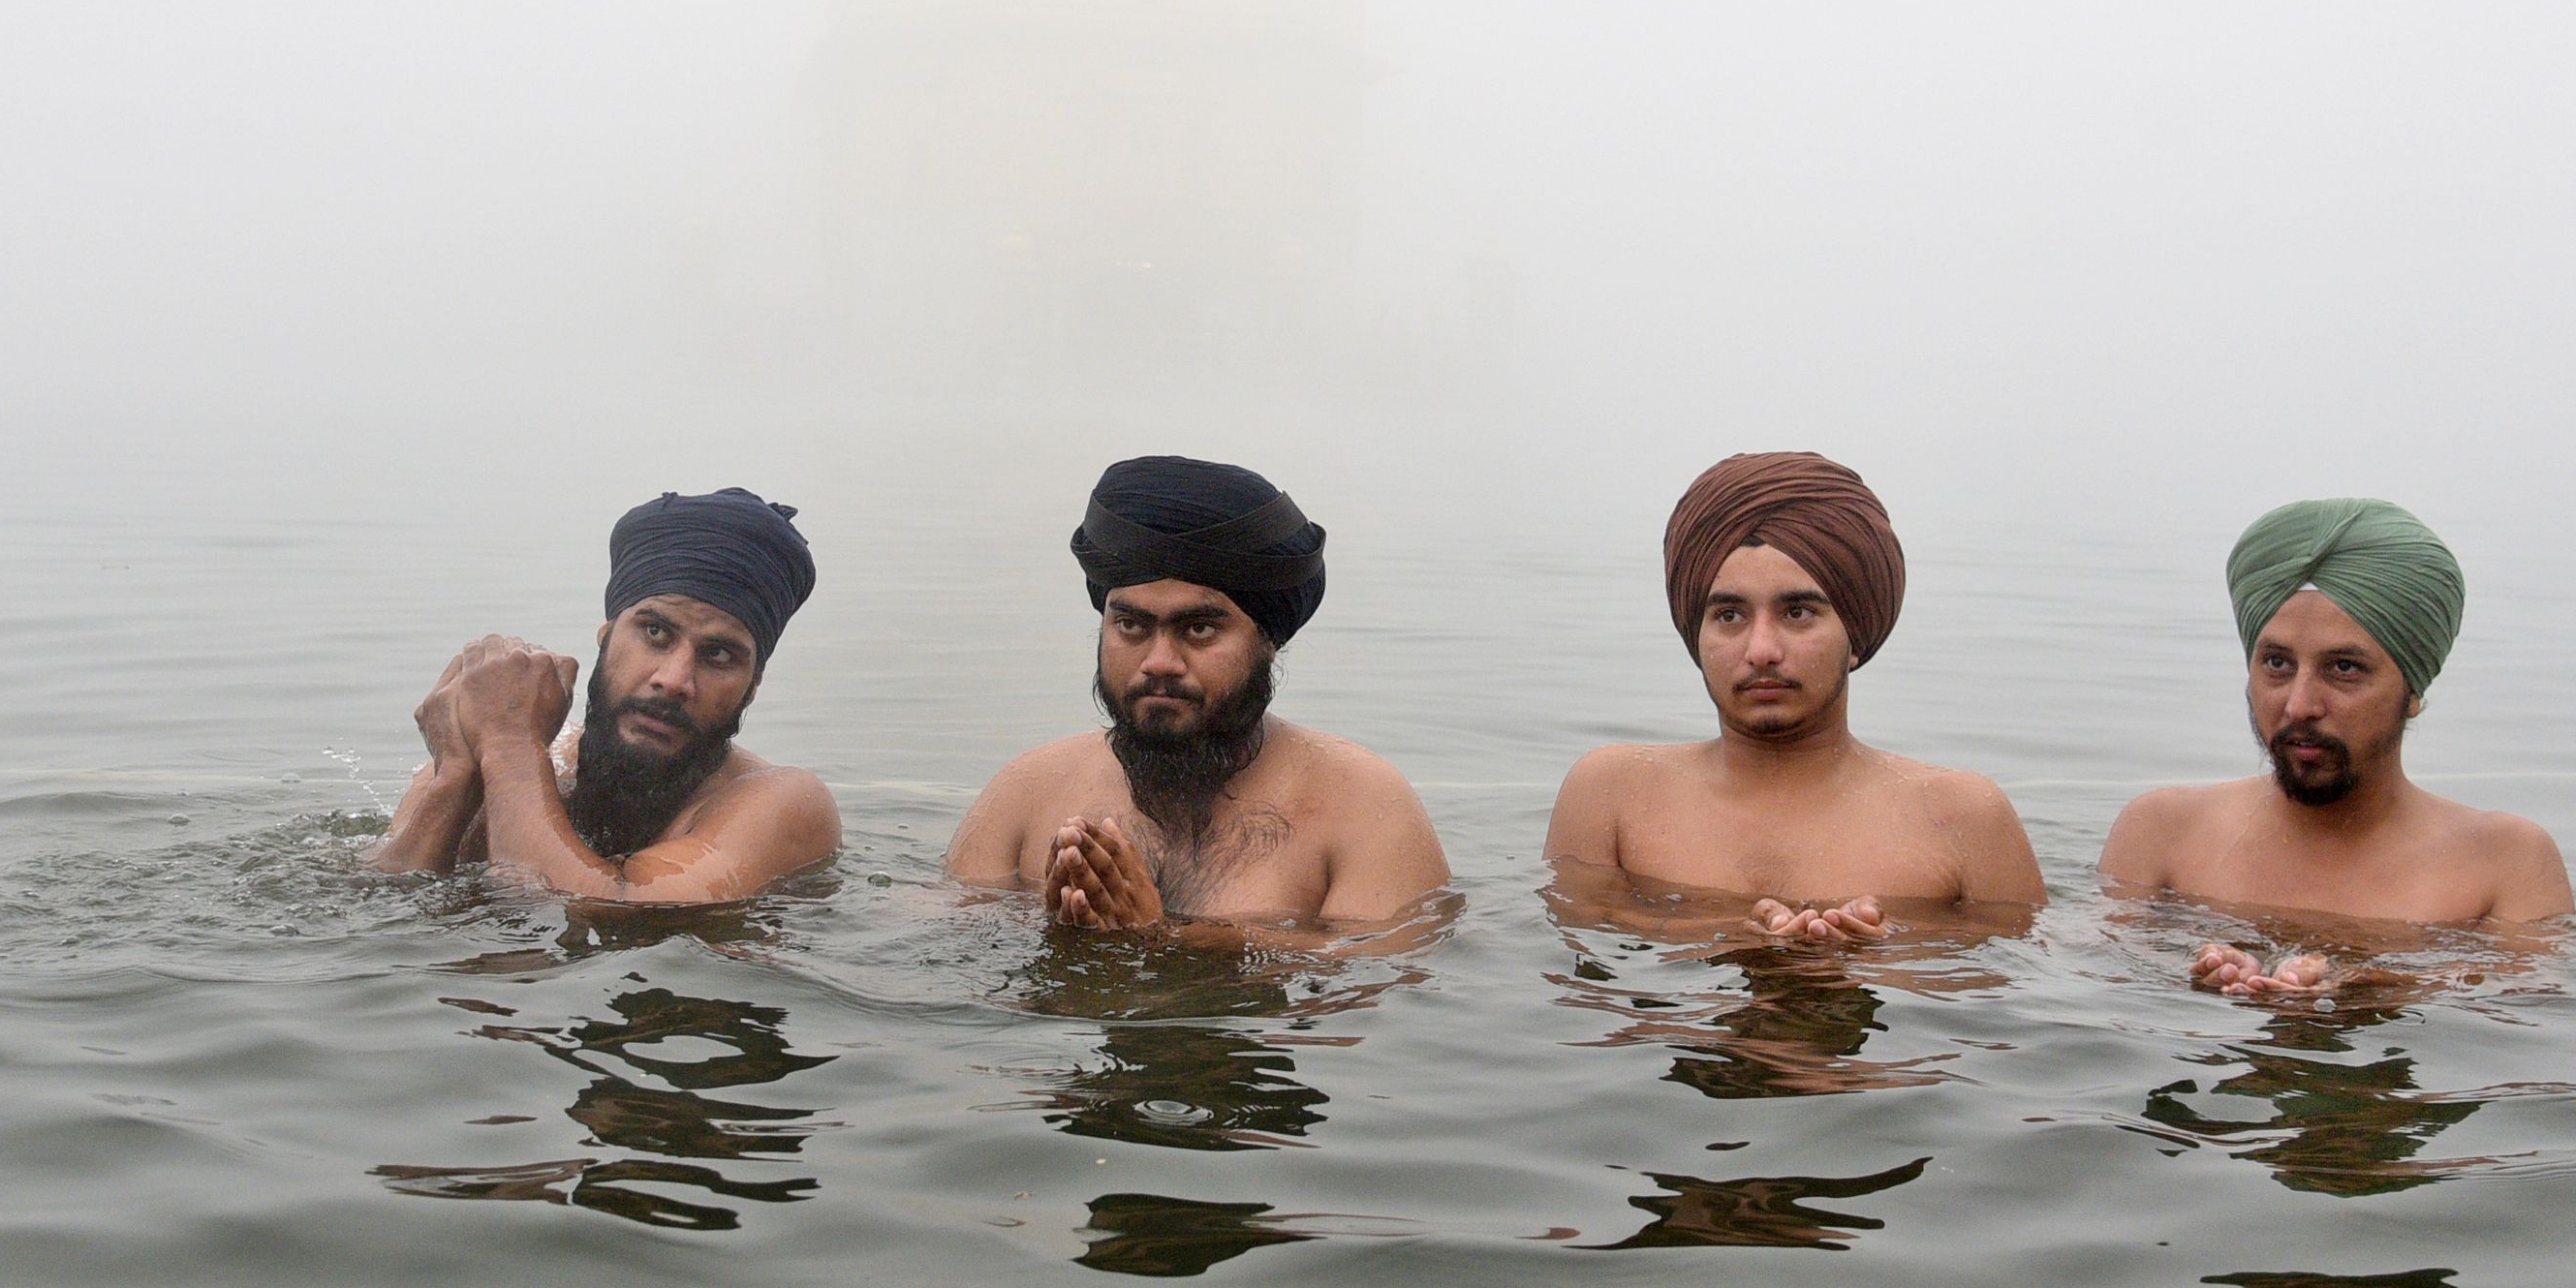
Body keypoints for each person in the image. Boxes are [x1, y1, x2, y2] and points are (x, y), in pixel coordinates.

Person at [1546, 452, 2043, 941]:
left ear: (1856, 633)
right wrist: (1737, 947)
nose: (1762, 650)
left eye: (1798, 612)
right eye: (1729, 616)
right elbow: (1581, 994)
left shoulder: (1962, 816)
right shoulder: (1612, 794)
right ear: (1695, 635)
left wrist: (1876, 964)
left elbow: (2014, 1004)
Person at [945, 455, 1449, 935]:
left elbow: (1376, 987)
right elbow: (936, 946)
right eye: (1131, 625)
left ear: (1268, 640)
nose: (1159, 661)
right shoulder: (1027, 790)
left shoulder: (1364, 806)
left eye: (1200, 628)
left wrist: (1160, 941)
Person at [2099, 496, 2571, 997]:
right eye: (2277, 663)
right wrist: (2192, 976)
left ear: (2412, 693)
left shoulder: (2505, 863)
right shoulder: (2162, 832)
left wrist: (2386, 990)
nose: (2300, 704)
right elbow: (2095, 987)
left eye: (2344, 668)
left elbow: (2531, 1033)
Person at [364, 488, 839, 902]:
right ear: (607, 635)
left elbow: (607, 906)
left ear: (752, 687)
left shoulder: (781, 803)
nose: (674, 680)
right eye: (655, 632)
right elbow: (387, 904)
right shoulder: (527, 758)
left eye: (718, 656)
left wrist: (508, 744)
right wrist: (457, 778)